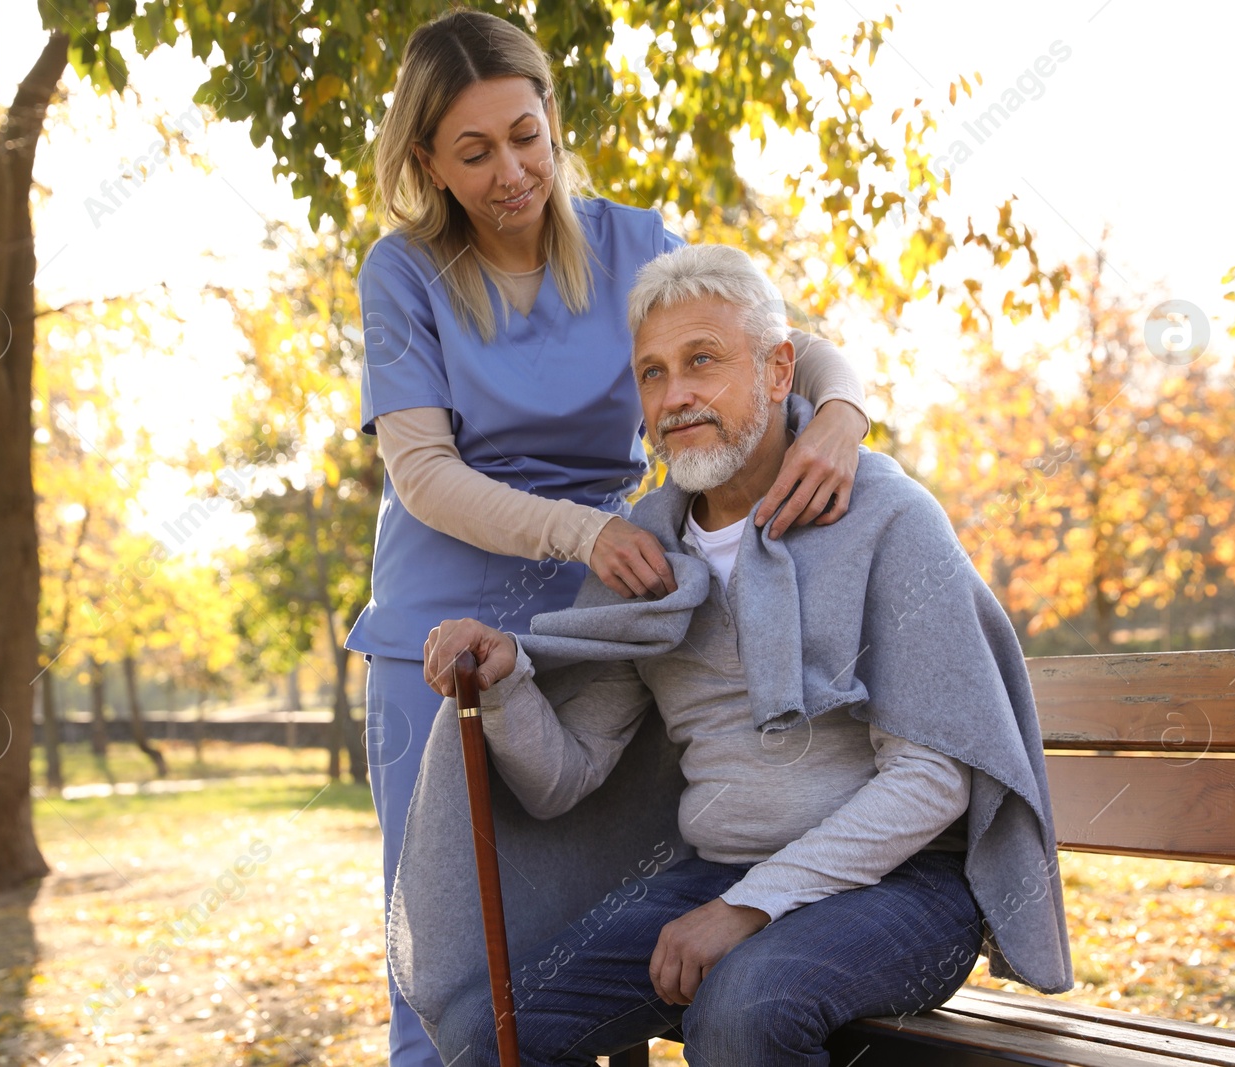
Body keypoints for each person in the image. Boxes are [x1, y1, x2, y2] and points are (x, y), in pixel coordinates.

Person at [350, 12, 875, 1065]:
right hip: (439, 640)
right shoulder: (402, 273)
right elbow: (421, 473)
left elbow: (785, 343)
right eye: (474, 151)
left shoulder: (637, 242)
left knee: (602, 926)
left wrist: (840, 414)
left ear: (552, 120)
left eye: (526, 135)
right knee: (458, 957)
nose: (512, 171)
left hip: (607, 625)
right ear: (427, 163)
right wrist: (586, 529)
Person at [403, 243, 1072, 1066]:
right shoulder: (647, 547)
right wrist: (505, 681)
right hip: (714, 873)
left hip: (906, 888)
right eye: (652, 373)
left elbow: (933, 778)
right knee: (488, 1031)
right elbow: (564, 778)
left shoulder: (888, 517)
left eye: (702, 361)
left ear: (779, 370)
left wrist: (751, 905)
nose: (675, 396)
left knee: (741, 1007)